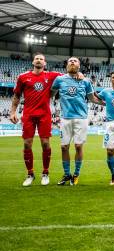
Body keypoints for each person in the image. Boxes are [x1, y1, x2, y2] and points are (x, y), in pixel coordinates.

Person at [11, 53, 75, 186]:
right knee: (27, 144)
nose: (39, 60)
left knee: (45, 143)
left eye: (41, 59)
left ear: (45, 63)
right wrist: (12, 112)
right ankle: (30, 174)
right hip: (28, 114)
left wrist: (78, 75)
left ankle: (45, 173)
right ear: (33, 62)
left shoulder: (51, 75)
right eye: (37, 59)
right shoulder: (22, 77)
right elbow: (17, 95)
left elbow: (69, 75)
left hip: (44, 114)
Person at [50, 57, 103, 185]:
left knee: (78, 146)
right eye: (70, 61)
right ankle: (67, 174)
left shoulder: (85, 81)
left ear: (79, 66)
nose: (72, 62)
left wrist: (107, 104)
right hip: (65, 118)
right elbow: (50, 94)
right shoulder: (59, 79)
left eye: (75, 61)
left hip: (81, 118)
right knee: (64, 147)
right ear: (67, 65)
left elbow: (92, 99)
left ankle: (76, 174)